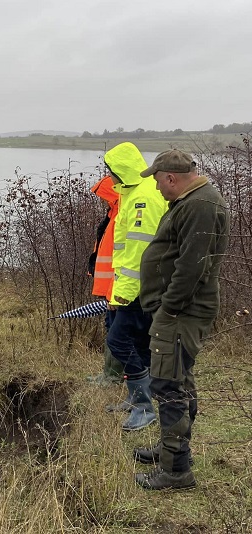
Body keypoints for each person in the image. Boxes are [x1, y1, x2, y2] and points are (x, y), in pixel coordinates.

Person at [134, 150, 228, 490]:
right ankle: (169, 450)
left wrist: (168, 308)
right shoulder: (193, 201)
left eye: (158, 182)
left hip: (180, 313)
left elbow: (192, 267)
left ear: (170, 177)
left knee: (168, 386)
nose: (157, 189)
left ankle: (176, 470)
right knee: (178, 377)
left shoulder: (201, 205)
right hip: (178, 311)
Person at [104, 142, 167, 431]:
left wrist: (123, 293)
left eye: (112, 171)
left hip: (140, 289)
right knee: (139, 342)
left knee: (118, 340)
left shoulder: (143, 198)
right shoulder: (133, 194)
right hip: (140, 287)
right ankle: (137, 399)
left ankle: (144, 406)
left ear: (122, 170)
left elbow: (140, 252)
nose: (110, 177)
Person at [86, 176, 124, 386]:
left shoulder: (120, 216)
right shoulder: (113, 214)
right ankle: (108, 374)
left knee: (117, 331)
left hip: (118, 286)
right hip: (111, 285)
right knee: (111, 328)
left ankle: (114, 377)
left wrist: (114, 288)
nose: (102, 200)